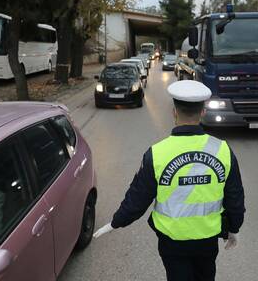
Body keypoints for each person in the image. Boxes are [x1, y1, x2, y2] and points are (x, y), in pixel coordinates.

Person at [94, 80, 245, 281]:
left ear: (174, 112)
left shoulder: (157, 154)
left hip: (172, 242)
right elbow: (235, 197)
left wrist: (115, 222)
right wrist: (234, 227)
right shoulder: (223, 150)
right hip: (207, 240)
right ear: (202, 112)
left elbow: (137, 199)